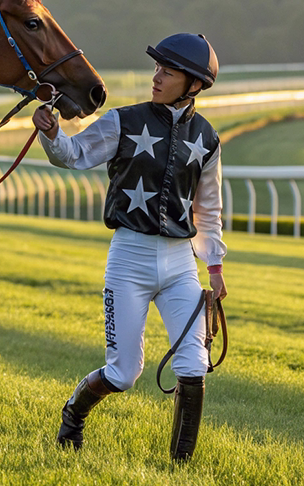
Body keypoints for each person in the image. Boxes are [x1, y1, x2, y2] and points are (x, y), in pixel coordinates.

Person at [32, 33, 228, 461]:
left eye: (167, 71)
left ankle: (180, 465)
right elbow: (73, 153)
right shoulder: (124, 120)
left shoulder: (208, 139)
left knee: (193, 365)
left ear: (194, 84)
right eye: (156, 68)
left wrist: (213, 267)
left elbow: (207, 211)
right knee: (124, 373)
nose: (156, 77)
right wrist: (51, 134)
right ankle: (73, 416)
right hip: (128, 259)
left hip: (180, 265)